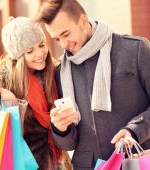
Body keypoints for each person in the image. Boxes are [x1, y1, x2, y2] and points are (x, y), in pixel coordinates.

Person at [36, 0, 150, 169]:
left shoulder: (136, 50)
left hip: (134, 160)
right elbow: (69, 144)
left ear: (83, 21)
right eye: (56, 39)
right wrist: (61, 129)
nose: (63, 44)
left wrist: (134, 130)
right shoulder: (60, 72)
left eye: (66, 34)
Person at [0, 16, 74, 170]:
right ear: (18, 56)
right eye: (30, 51)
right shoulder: (3, 84)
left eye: (42, 45)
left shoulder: (54, 71)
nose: (40, 54)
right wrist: (13, 102)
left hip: (57, 160)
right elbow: (4, 136)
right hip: (24, 163)